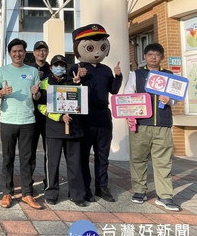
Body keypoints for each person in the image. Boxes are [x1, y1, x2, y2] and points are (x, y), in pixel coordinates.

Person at [124, 43, 182, 211]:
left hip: (163, 124)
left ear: (162, 57)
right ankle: (139, 191)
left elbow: (176, 98)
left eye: (157, 54)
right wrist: (129, 116)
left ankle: (164, 196)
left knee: (163, 161)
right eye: (150, 54)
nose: (153, 57)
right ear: (145, 57)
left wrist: (169, 100)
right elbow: (128, 96)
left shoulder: (170, 76)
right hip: (141, 124)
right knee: (138, 159)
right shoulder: (136, 74)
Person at [69, 24, 122, 203]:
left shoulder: (106, 70)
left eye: (102, 46)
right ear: (78, 48)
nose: (97, 52)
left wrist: (118, 77)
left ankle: (102, 187)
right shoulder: (75, 68)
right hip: (84, 116)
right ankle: (85, 188)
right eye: (91, 47)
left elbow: (113, 91)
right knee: (84, 155)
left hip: (103, 116)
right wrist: (77, 80)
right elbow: (67, 94)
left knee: (102, 154)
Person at [0, 39, 42, 209]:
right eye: (14, 51)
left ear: (25, 52)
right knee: (7, 159)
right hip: (7, 120)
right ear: (9, 53)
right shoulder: (2, 71)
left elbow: (37, 98)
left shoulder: (33, 71)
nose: (17, 54)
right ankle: (7, 193)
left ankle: (27, 194)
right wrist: (2, 92)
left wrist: (36, 94)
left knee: (27, 159)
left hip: (28, 121)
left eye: (20, 51)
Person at [38, 55, 86, 207]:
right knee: (52, 163)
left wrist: (79, 84)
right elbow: (41, 106)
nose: (59, 68)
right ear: (51, 67)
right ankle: (51, 193)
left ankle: (77, 194)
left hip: (74, 128)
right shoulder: (45, 83)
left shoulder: (73, 81)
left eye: (62, 65)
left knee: (75, 163)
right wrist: (59, 117)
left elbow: (81, 103)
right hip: (53, 129)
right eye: (56, 65)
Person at [29, 40, 50, 190]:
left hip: (49, 116)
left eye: (44, 50)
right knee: (29, 151)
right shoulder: (28, 70)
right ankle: (28, 182)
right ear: (34, 52)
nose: (41, 53)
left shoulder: (54, 69)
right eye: (38, 50)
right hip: (31, 115)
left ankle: (49, 181)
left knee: (50, 151)